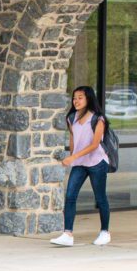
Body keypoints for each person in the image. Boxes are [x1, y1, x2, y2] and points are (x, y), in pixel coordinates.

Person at [52, 85, 112, 247]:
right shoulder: (71, 118)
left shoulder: (98, 119)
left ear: (88, 99)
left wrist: (73, 157)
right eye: (74, 98)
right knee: (70, 196)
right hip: (80, 163)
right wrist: (73, 156)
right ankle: (67, 234)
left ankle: (105, 232)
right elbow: (73, 140)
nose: (76, 101)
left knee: (100, 198)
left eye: (80, 97)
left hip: (97, 162)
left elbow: (94, 145)